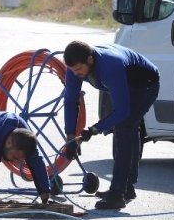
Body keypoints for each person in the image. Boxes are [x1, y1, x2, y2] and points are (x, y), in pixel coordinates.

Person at [62, 41, 160, 210]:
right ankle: (126, 187)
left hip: (145, 84)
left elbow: (122, 112)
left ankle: (117, 195)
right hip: (124, 83)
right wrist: (70, 137)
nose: (76, 74)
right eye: (72, 71)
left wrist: (93, 130)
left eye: (78, 70)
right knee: (126, 128)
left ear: (90, 60)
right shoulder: (74, 70)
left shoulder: (110, 66)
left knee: (124, 126)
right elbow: (71, 100)